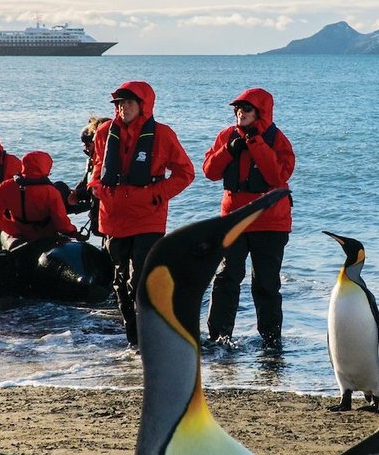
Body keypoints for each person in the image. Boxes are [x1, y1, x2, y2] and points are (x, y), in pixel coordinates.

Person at [88, 81, 194, 347]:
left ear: (143, 106)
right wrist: (95, 185)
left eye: (129, 103)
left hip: (148, 215)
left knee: (141, 280)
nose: (123, 108)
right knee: (120, 281)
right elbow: (99, 164)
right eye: (119, 104)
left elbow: (185, 173)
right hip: (112, 214)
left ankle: (154, 338)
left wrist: (157, 194)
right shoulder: (103, 132)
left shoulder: (163, 134)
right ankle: (134, 342)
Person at [203, 88, 296, 346]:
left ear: (261, 112)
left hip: (271, 222)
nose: (240, 112)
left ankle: (270, 341)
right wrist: (229, 150)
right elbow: (209, 171)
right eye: (238, 108)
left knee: (265, 284)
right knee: (226, 278)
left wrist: (255, 141)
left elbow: (277, 176)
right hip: (234, 219)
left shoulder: (277, 140)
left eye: (247, 108)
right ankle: (219, 338)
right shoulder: (226, 136)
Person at [0, 151, 81, 245]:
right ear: (46, 167)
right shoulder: (51, 192)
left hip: (19, 237)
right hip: (45, 237)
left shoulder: (6, 186)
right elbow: (62, 224)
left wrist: (14, 231)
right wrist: (74, 233)